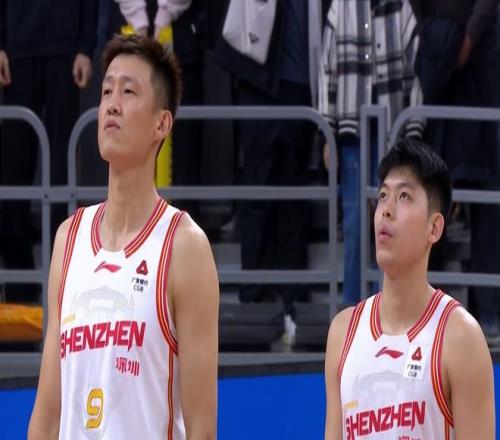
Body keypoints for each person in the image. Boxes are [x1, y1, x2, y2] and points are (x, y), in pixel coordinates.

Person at [28, 35, 219, 439]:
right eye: (106, 91)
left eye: (128, 91)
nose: (112, 104)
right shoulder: (69, 239)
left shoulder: (184, 246)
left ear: (161, 124)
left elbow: (202, 429)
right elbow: (46, 416)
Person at [324, 139, 494, 439]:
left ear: (434, 228)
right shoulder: (342, 333)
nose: (386, 210)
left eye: (404, 196)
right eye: (383, 196)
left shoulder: (460, 337)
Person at [319, 0, 422, 307]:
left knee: (393, 225)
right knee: (354, 225)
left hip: (392, 135)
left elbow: (415, 68)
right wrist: (328, 131)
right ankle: (353, 311)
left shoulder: (400, 8)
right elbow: (327, 69)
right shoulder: (341, 7)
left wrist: (413, 127)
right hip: (352, 133)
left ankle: (390, 307)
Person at [410, 0, 500, 346]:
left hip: (482, 74)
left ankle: (486, 309)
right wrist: (433, 38)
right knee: (433, 198)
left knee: (487, 201)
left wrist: (468, 40)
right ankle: (429, 310)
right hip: (437, 67)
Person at [0, 0, 98, 302]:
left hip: (64, 52)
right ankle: (20, 292)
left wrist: (85, 47)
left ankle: (64, 287)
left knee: (62, 178)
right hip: (17, 52)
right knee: (13, 174)